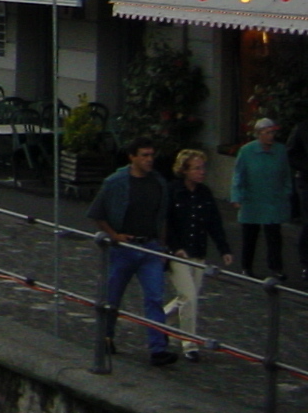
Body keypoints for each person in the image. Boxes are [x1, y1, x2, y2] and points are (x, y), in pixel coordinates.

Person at [87, 137, 178, 365]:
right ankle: (106, 337)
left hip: (150, 247)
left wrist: (163, 246)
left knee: (155, 298)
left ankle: (158, 348)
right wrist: (114, 235)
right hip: (123, 248)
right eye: (144, 155)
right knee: (112, 297)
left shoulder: (158, 182)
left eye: (151, 155)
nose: (149, 160)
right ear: (132, 157)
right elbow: (97, 213)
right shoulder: (115, 182)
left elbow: (162, 217)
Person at [164, 148, 232, 362]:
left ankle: (157, 322)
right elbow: (165, 223)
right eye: (197, 168)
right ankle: (189, 343)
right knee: (189, 297)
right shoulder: (172, 191)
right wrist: (175, 247)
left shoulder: (205, 193)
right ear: (184, 170)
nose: (202, 172)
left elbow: (214, 223)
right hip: (178, 254)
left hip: (198, 251)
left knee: (186, 298)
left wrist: (224, 249)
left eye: (203, 168)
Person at [230, 117, 294, 282]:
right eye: (266, 133)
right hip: (252, 200)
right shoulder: (246, 151)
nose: (270, 136)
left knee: (274, 236)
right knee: (250, 236)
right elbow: (238, 175)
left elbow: (286, 174)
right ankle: (246, 267)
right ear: (258, 134)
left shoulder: (280, 151)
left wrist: (286, 192)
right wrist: (237, 196)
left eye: (272, 133)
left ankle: (276, 268)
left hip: (273, 201)